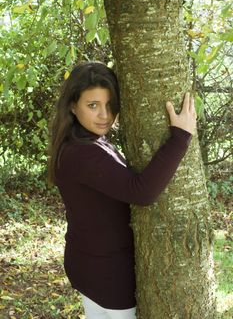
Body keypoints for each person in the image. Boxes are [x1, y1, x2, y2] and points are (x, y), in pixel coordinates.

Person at [48, 61, 196, 319]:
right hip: (107, 275)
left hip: (89, 264)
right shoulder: (83, 153)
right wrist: (180, 138)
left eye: (110, 105)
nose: (105, 115)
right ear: (73, 106)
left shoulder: (80, 142)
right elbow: (141, 192)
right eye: (92, 105)